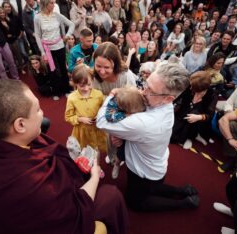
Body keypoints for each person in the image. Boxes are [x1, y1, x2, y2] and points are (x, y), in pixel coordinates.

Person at [0, 79, 129, 234]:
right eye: (37, 109)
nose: (43, 114)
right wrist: (94, 176)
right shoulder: (33, 185)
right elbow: (75, 212)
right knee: (110, 195)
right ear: (20, 124)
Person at [97, 63, 200, 211]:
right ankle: (183, 191)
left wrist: (112, 95)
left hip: (143, 172)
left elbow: (102, 122)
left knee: (136, 203)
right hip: (153, 165)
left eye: (150, 90)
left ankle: (184, 204)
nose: (143, 91)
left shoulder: (146, 123)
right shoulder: (163, 104)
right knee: (152, 188)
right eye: (146, 84)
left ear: (168, 99)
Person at [93, 42, 137, 179]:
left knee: (120, 141)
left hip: (125, 113)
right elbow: (96, 98)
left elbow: (133, 101)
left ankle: (118, 162)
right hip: (106, 113)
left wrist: (112, 98)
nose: (101, 71)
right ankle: (113, 158)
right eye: (98, 66)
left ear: (115, 64)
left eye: (107, 67)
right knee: (108, 139)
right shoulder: (95, 77)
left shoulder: (126, 75)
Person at [34, 0, 75, 97]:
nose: (54, 5)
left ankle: (66, 90)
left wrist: (68, 35)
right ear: (45, 4)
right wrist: (42, 52)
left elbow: (71, 24)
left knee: (63, 69)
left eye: (54, 2)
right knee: (51, 71)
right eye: (51, 3)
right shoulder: (37, 18)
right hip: (47, 48)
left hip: (60, 46)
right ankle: (56, 92)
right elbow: (37, 36)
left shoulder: (57, 15)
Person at [171, 71, 218, 149]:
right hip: (184, 113)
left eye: (193, 87)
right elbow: (177, 100)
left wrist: (198, 117)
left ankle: (190, 137)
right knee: (172, 136)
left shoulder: (212, 94)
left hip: (199, 120)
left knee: (194, 114)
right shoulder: (191, 85)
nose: (190, 88)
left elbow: (210, 115)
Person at [65, 64, 106, 151]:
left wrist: (99, 115)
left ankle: (96, 163)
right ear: (75, 83)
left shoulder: (98, 94)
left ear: (93, 80)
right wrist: (80, 119)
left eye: (89, 84)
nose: (86, 88)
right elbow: (68, 117)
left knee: (97, 149)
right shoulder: (72, 98)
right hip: (82, 131)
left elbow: (104, 109)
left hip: (97, 128)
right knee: (85, 150)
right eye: (82, 86)